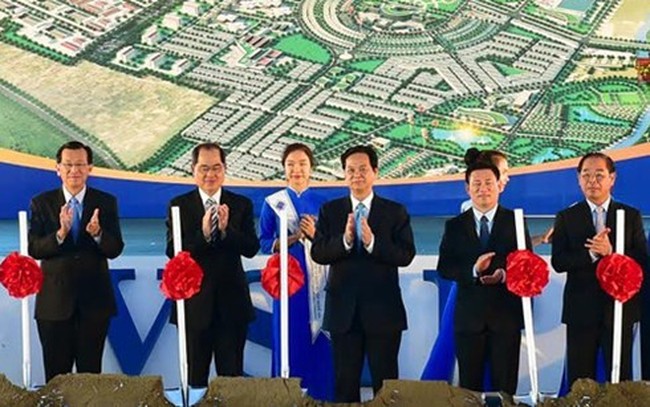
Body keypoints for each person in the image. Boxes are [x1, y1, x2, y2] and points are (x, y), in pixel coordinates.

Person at [311, 145, 415, 403]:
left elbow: (405, 255)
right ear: (344, 175)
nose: (357, 175)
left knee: (386, 385)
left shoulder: (395, 212)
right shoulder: (330, 211)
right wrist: (344, 241)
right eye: (351, 170)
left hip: (383, 312)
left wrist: (372, 243)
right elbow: (319, 252)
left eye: (363, 169)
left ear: (375, 172)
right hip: (343, 313)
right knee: (345, 384)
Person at [28, 141, 124, 382]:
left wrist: (97, 234)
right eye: (68, 165)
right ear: (57, 168)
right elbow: (34, 249)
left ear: (90, 168)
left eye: (80, 165)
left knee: (90, 379)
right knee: (56, 380)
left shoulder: (106, 202)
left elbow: (115, 249)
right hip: (54, 305)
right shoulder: (42, 202)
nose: (74, 170)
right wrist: (60, 234)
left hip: (94, 304)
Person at [165, 142, 259, 387]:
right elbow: (172, 251)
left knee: (232, 381)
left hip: (232, 305)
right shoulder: (179, 205)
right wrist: (204, 234)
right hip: (194, 306)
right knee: (195, 380)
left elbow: (251, 248)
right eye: (204, 168)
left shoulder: (240, 204)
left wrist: (227, 231)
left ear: (225, 169)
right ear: (193, 169)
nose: (210, 175)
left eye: (216, 168)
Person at [552, 152, 648, 386]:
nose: (592, 181)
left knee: (619, 377)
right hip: (580, 311)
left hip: (618, 309)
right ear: (578, 179)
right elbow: (559, 261)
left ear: (612, 178)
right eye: (586, 175)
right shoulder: (567, 217)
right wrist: (592, 254)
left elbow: (642, 260)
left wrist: (613, 253)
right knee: (581, 380)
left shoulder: (630, 215)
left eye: (599, 175)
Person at [437, 160, 531, 395]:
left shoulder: (516, 222)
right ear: (467, 189)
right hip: (469, 320)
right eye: (476, 184)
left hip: (505, 317)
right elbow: (445, 267)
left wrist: (505, 274)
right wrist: (473, 270)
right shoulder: (455, 225)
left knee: (505, 388)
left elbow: (528, 265)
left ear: (499, 185)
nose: (483, 188)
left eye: (489, 183)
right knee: (469, 390)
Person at [259, 143, 334, 400]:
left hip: (320, 283)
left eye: (302, 163)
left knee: (321, 340)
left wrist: (314, 234)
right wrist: (293, 238)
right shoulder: (273, 203)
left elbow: (334, 244)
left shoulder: (325, 204)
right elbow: (264, 243)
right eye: (291, 164)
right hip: (289, 284)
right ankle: (287, 396)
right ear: (283, 169)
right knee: (289, 337)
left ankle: (322, 396)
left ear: (311, 167)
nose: (296, 169)